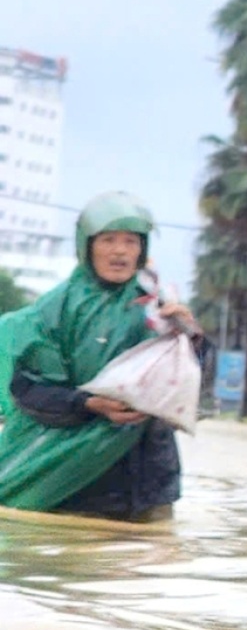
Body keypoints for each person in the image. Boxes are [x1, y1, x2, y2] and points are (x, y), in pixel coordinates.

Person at [0, 193, 202, 521]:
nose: (120, 251)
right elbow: (28, 391)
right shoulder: (54, 311)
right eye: (108, 240)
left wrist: (192, 337)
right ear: (87, 245)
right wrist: (89, 404)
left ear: (142, 249)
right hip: (76, 482)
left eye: (131, 241)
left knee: (150, 564)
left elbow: (194, 385)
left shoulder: (161, 307)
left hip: (150, 480)